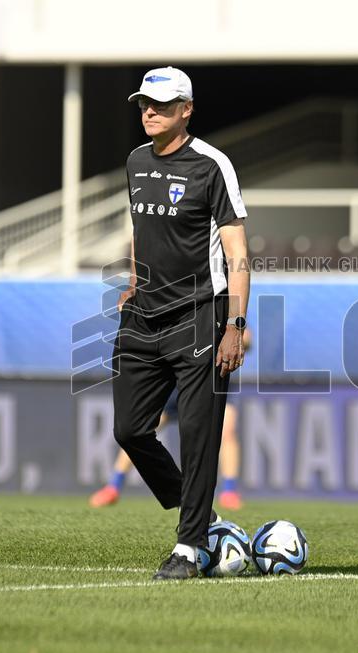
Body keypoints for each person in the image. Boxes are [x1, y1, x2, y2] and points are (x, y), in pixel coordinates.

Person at [112, 66, 249, 581]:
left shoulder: (212, 165)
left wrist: (235, 324)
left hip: (200, 315)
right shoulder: (135, 161)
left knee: (197, 436)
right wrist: (132, 280)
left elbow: (237, 251)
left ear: (186, 110)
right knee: (129, 429)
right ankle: (207, 520)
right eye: (144, 103)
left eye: (162, 104)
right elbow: (137, 228)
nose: (149, 111)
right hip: (142, 315)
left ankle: (190, 548)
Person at [91, 329, 252, 511]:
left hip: (213, 375)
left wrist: (233, 335)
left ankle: (229, 491)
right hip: (176, 375)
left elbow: (245, 337)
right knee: (139, 431)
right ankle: (114, 486)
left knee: (227, 430)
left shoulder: (222, 306)